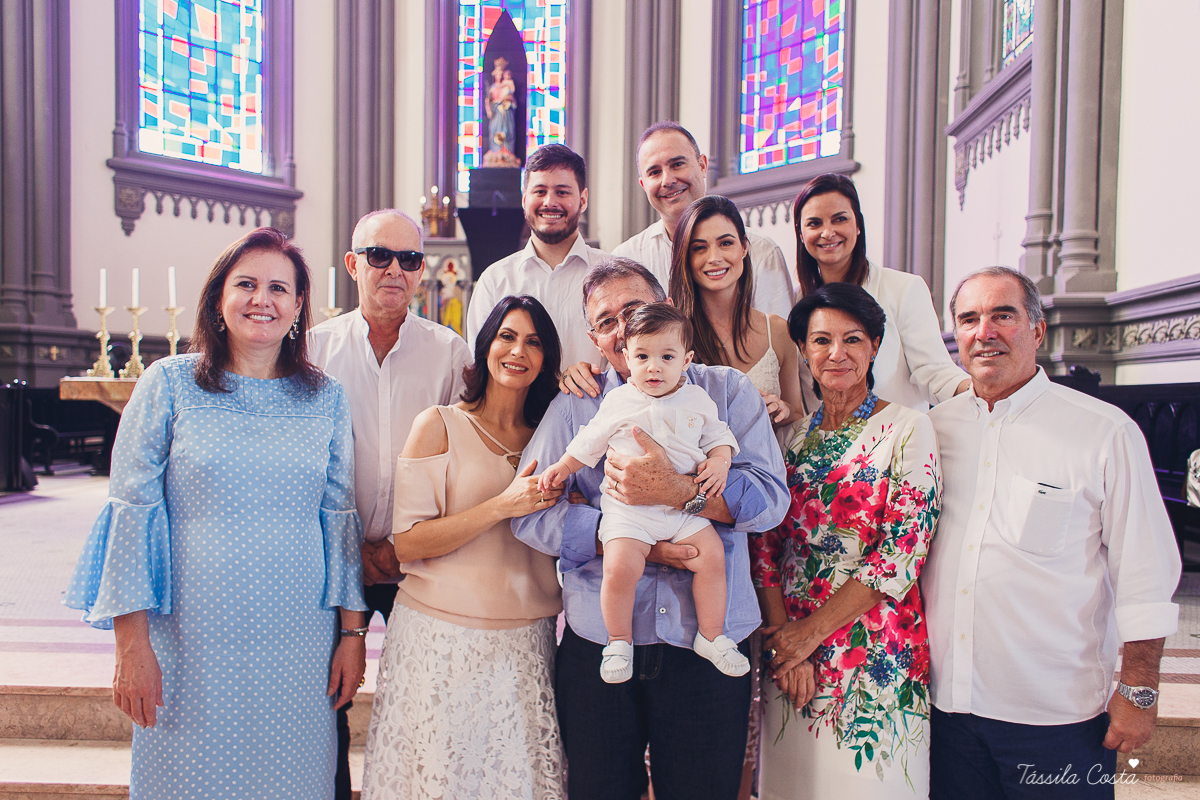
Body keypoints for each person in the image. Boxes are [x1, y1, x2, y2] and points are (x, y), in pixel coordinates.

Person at [64, 228, 368, 800]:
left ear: (299, 306)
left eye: (280, 288)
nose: (263, 299)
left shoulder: (325, 396)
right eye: (246, 284)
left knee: (293, 778)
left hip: (297, 638)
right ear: (218, 300)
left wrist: (352, 634)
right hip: (189, 636)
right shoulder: (169, 385)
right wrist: (131, 646)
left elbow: (339, 520)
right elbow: (132, 515)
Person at [512, 258, 789, 800]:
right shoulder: (581, 405)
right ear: (593, 336)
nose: (622, 330)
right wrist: (623, 539)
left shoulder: (725, 392)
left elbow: (771, 502)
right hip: (600, 640)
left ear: (667, 311)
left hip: (707, 642)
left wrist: (679, 491)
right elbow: (529, 509)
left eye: (633, 311)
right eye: (606, 321)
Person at [922, 267, 1182, 799]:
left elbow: (1145, 571)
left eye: (1003, 315)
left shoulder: (1103, 431)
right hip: (945, 710)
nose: (984, 331)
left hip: (1057, 717)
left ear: (1037, 331)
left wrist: (1139, 688)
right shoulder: (932, 431)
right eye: (969, 319)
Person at [361, 295, 566, 799]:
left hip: (525, 642)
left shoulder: (554, 436)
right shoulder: (440, 424)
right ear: (486, 344)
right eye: (508, 336)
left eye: (534, 342)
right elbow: (408, 543)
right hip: (439, 637)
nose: (519, 351)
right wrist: (501, 505)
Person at [750, 282, 941, 798]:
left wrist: (810, 634)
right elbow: (765, 548)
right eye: (820, 340)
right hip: (791, 657)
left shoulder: (908, 429)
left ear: (875, 345)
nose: (836, 353)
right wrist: (786, 642)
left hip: (872, 649)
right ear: (804, 351)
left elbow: (899, 557)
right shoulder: (793, 439)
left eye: (852, 339)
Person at [309, 208, 472, 799]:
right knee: (325, 699)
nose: (394, 270)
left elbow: (465, 461)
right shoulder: (313, 349)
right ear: (353, 264)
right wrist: (354, 550)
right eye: (380, 255)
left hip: (416, 563)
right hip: (329, 562)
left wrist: (401, 548)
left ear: (421, 271)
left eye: (408, 259)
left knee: (427, 702)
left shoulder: (449, 353)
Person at [538, 303, 746, 682]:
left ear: (687, 360)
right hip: (628, 512)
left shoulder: (698, 398)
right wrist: (561, 468)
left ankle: (712, 635)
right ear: (626, 359)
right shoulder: (617, 401)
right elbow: (589, 442)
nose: (654, 367)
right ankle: (618, 640)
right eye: (643, 356)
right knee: (620, 567)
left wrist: (719, 461)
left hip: (683, 510)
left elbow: (719, 437)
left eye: (667, 356)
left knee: (712, 557)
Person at [793, 173, 968, 411]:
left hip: (893, 440)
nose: (828, 232)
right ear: (801, 234)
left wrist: (975, 389)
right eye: (814, 223)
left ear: (857, 226)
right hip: (822, 443)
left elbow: (933, 371)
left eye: (839, 219)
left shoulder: (903, 289)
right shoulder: (794, 301)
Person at [611, 121, 795, 320]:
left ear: (702, 166)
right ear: (643, 184)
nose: (668, 180)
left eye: (677, 164)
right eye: (654, 172)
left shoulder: (761, 250)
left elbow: (780, 343)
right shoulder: (626, 260)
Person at [466, 143, 609, 368]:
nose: (549, 202)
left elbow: (627, 361)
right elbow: (482, 367)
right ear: (524, 199)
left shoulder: (612, 276)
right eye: (540, 191)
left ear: (583, 200)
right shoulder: (494, 281)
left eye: (562, 192)